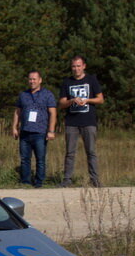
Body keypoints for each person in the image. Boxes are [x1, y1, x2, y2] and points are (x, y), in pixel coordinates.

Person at [58, 55, 105, 187]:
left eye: (79, 66)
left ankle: (95, 180)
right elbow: (61, 103)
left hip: (88, 121)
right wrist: (72, 100)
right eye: (74, 66)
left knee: (91, 151)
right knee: (70, 152)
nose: (76, 69)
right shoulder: (67, 82)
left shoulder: (91, 80)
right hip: (71, 122)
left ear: (84, 66)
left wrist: (87, 100)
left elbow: (100, 99)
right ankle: (67, 179)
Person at [12, 70, 57, 188]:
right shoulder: (23, 95)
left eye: (34, 79)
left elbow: (53, 113)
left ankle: (39, 182)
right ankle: (25, 181)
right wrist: (14, 127)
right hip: (25, 132)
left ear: (40, 80)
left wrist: (51, 131)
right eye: (30, 79)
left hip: (40, 132)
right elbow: (17, 112)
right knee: (25, 159)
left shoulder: (48, 95)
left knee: (40, 159)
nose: (32, 81)